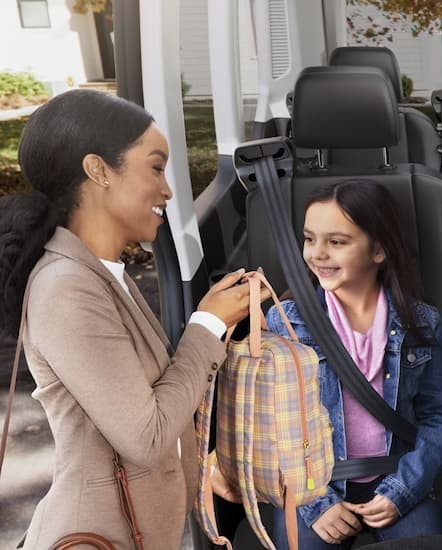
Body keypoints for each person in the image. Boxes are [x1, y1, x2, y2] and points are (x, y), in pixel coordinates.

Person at [0, 90, 256, 548]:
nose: (168, 188)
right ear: (98, 170)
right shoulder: (66, 287)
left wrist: (199, 468)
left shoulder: (102, 273)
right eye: (155, 167)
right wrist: (208, 326)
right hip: (98, 535)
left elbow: (147, 402)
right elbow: (147, 436)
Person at [263, 180, 442, 548]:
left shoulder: (421, 323)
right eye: (309, 239)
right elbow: (273, 430)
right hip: (314, 485)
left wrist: (403, 490)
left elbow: (438, 416)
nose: (317, 253)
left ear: (379, 250)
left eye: (336, 242)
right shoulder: (285, 323)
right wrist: (314, 503)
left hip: (395, 475)